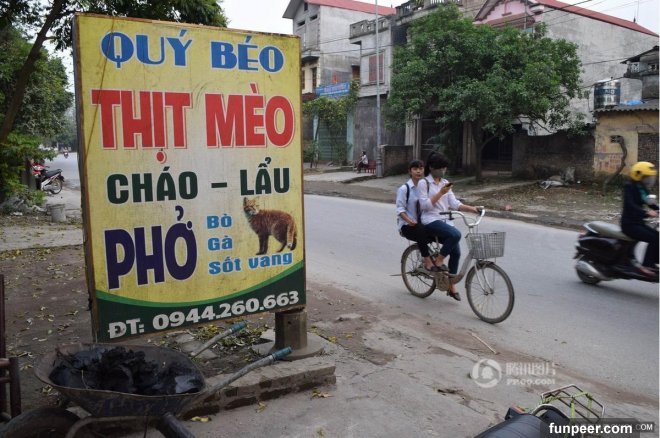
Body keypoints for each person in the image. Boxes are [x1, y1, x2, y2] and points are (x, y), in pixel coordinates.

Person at [418, 152, 481, 301]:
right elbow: (425, 206)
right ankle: (439, 261)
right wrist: (441, 193)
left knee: (456, 253)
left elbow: (454, 203)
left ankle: (451, 285)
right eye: (440, 168)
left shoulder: (445, 182)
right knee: (455, 234)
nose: (443, 170)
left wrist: (472, 209)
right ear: (431, 167)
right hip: (430, 220)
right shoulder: (424, 183)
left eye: (444, 168)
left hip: (445, 221)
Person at [396, 159, 440, 274]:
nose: (418, 171)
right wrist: (409, 221)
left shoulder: (426, 186)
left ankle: (439, 261)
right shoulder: (404, 189)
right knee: (420, 230)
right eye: (415, 169)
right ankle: (427, 261)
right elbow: (400, 210)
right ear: (410, 171)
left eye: (421, 168)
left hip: (423, 222)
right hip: (407, 226)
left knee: (443, 232)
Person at [620, 161, 659, 276]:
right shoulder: (629, 186)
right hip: (629, 224)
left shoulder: (641, 187)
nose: (650, 180)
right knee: (654, 238)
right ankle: (647, 265)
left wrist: (657, 208)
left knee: (658, 236)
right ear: (638, 175)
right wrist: (646, 213)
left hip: (638, 223)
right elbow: (630, 205)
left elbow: (649, 201)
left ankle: (653, 263)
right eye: (647, 177)